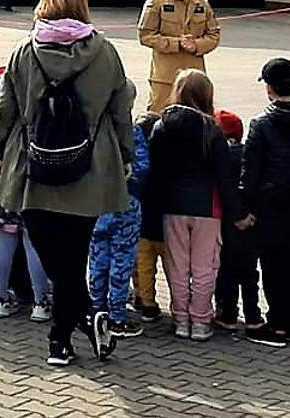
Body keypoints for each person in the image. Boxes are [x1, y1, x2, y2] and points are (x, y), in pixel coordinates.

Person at [0, 0, 136, 366]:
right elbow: (120, 110)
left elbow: (7, 108)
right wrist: (125, 154)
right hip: (90, 166)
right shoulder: (106, 52)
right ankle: (72, 331)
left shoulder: (24, 52)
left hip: (32, 165)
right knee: (74, 257)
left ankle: (69, 333)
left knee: (55, 258)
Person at [234, 58, 290, 347]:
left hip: (268, 203)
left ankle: (278, 325)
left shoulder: (261, 124)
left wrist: (244, 207)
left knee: (272, 266)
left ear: (269, 88)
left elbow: (251, 171)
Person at [146, 69, 237, 342]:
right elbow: (224, 177)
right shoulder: (212, 129)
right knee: (204, 267)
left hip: (172, 206)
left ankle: (180, 319)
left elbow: (155, 172)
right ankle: (200, 320)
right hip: (207, 208)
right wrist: (239, 213)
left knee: (177, 266)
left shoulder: (162, 126)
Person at [0, 68, 54, 320]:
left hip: (3, 187)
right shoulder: (39, 113)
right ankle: (40, 302)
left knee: (4, 242)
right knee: (34, 244)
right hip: (33, 185)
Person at [90, 114, 151, 338]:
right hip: (126, 205)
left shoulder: (92, 128)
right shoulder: (131, 132)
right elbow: (142, 169)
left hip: (96, 205)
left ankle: (96, 309)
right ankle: (117, 316)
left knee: (98, 258)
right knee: (121, 261)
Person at [138, 0, 222, 113]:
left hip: (195, 80)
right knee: (159, 118)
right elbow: (145, 36)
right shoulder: (157, 2)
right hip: (165, 78)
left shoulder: (201, 4)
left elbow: (214, 35)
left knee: (197, 119)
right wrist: (177, 43)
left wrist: (196, 45)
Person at [213, 109, 260, 338]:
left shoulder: (222, 158)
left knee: (226, 270)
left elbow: (225, 190)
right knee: (250, 272)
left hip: (228, 222)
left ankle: (227, 314)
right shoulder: (249, 154)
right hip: (252, 224)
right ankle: (253, 315)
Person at [132, 111, 169, 324]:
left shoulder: (138, 164)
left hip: (142, 226)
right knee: (172, 267)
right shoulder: (165, 161)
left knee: (144, 266)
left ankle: (146, 302)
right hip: (164, 224)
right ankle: (181, 306)